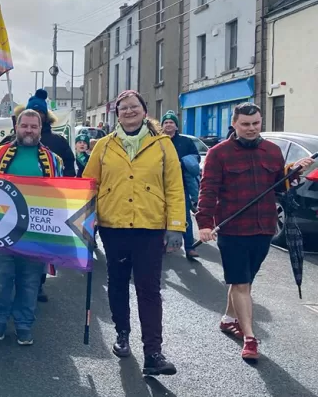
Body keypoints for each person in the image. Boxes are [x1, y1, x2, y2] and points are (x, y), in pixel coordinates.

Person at [196, 102, 314, 362]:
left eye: (256, 124)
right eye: (245, 124)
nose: (251, 129)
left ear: (261, 123)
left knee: (244, 281)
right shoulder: (219, 153)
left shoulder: (272, 152)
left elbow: (278, 187)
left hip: (263, 228)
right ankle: (249, 338)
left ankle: (229, 319)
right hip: (232, 227)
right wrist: (204, 223)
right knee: (240, 283)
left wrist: (293, 173)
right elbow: (208, 190)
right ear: (234, 125)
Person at [83, 90, 184, 376]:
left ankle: (153, 352)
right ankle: (122, 334)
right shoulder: (103, 146)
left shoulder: (163, 145)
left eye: (134, 107)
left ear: (144, 110)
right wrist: (84, 225)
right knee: (117, 283)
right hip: (113, 227)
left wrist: (176, 226)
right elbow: (88, 185)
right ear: (117, 114)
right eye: (123, 108)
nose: (129, 111)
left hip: (150, 227)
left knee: (149, 289)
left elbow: (175, 187)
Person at [0, 109, 65, 346]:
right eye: (25, 126)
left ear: (41, 129)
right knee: (0, 279)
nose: (29, 130)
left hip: (35, 232)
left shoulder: (53, 161)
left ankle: (24, 325)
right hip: (0, 228)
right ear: (16, 127)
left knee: (29, 281)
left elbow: (61, 194)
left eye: (34, 126)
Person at [2, 89, 77, 302]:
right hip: (10, 210)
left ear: (44, 118)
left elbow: (69, 168)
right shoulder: (7, 144)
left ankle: (38, 284)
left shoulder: (58, 143)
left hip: (42, 210)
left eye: (38, 115)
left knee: (39, 251)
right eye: (30, 114)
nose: (30, 128)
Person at [160, 110, 201, 260]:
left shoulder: (186, 142)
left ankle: (189, 247)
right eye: (166, 122)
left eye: (171, 123)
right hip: (159, 185)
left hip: (180, 185)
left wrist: (185, 162)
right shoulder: (158, 141)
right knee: (160, 216)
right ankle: (162, 245)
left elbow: (196, 157)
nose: (169, 125)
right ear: (162, 126)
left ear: (176, 126)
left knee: (184, 216)